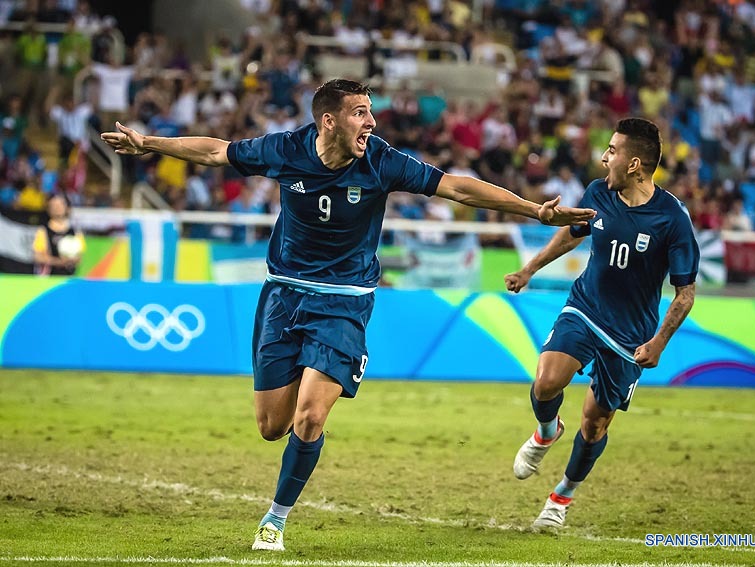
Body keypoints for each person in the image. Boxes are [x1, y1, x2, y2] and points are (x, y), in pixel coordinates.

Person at [101, 79, 596, 551]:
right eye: (361, 113)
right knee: (273, 426)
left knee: (310, 416)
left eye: (370, 112)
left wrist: (535, 211)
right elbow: (216, 151)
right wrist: (148, 143)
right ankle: (297, 442)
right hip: (283, 297)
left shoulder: (382, 162)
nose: (372, 123)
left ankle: (274, 519)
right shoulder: (285, 150)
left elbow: (458, 188)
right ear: (329, 122)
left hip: (345, 301)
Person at [504, 118, 699, 529]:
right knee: (546, 381)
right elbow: (574, 233)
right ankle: (545, 431)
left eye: (612, 150)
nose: (603, 157)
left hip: (631, 335)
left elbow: (685, 292)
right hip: (586, 308)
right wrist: (529, 269)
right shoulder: (597, 192)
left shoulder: (672, 219)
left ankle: (560, 499)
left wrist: (659, 342)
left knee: (594, 425)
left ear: (634, 164)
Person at [32, 193, 85, 276]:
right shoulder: (43, 231)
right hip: (49, 278)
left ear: (67, 208)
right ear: (49, 209)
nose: (57, 208)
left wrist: (72, 260)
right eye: (54, 205)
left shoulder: (75, 231)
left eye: (60, 205)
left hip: (69, 278)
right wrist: (57, 262)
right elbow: (37, 257)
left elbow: (80, 257)